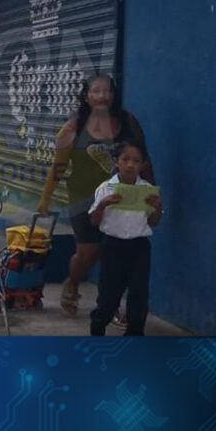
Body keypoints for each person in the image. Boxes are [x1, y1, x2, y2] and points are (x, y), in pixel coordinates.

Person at [37, 73, 153, 318]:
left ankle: (110, 302)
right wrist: (45, 200)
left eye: (107, 91)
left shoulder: (128, 122)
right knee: (88, 252)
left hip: (122, 197)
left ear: (114, 94)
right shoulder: (72, 128)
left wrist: (150, 192)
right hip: (83, 198)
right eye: (96, 91)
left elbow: (145, 158)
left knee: (117, 251)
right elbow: (57, 167)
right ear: (86, 96)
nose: (102, 96)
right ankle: (72, 282)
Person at [87, 141, 163, 336]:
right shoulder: (106, 188)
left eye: (136, 161)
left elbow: (153, 222)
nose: (130, 165)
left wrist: (157, 207)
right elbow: (94, 221)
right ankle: (97, 330)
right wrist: (102, 205)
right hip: (113, 247)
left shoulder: (146, 189)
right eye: (125, 160)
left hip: (139, 248)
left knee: (139, 296)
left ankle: (134, 335)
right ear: (116, 162)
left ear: (142, 165)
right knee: (108, 296)